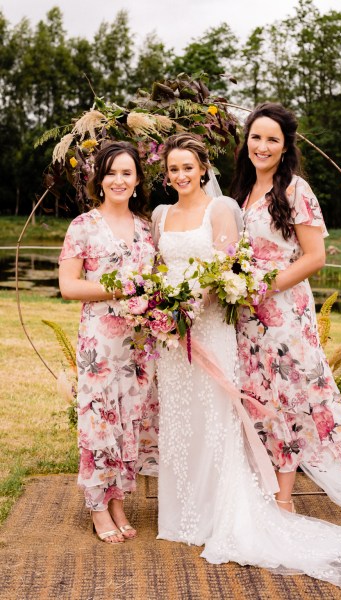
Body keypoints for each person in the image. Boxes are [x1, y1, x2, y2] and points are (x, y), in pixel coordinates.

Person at [151, 132, 341, 587]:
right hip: (180, 332)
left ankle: (252, 505)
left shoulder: (271, 195)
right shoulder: (180, 210)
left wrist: (201, 300)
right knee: (184, 417)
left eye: (188, 166)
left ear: (204, 169)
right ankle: (185, 510)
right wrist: (162, 306)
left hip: (224, 321)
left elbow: (235, 265)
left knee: (234, 411)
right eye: (172, 169)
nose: (180, 175)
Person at [231, 102, 341, 521]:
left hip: (284, 314)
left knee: (287, 398)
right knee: (257, 397)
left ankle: (284, 500)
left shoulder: (295, 190)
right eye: (256, 137)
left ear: (285, 146)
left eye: (272, 139)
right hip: (246, 318)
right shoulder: (241, 191)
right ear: (246, 141)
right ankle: (259, 486)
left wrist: (264, 287)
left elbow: (314, 256)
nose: (262, 145)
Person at [59, 142, 158, 544]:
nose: (119, 180)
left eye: (127, 173)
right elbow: (68, 286)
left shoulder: (146, 228)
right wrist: (119, 288)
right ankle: (98, 506)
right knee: (100, 420)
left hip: (140, 343)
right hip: (101, 342)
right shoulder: (83, 225)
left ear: (137, 181)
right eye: (111, 173)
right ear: (99, 179)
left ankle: (119, 500)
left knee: (129, 419)